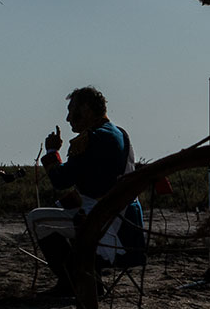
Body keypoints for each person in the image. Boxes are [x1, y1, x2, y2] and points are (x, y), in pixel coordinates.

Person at [25, 86, 145, 296]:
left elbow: (60, 179)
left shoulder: (93, 139)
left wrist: (52, 151)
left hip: (107, 222)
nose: (68, 118)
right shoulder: (119, 134)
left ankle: (72, 281)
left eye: (72, 111)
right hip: (127, 220)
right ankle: (88, 278)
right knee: (65, 209)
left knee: (38, 220)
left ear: (87, 109)